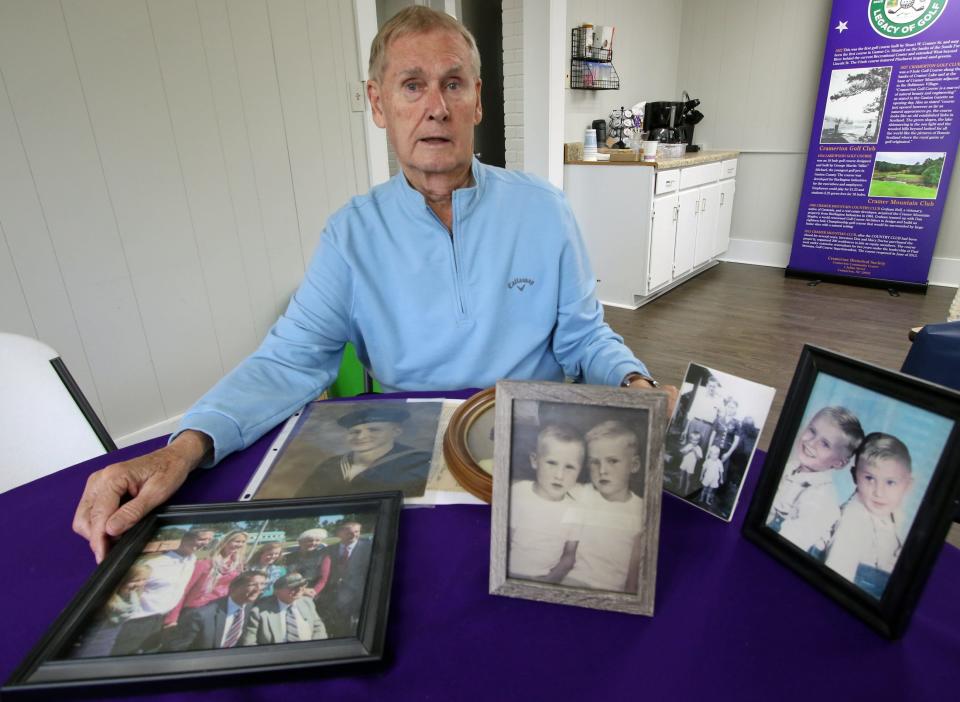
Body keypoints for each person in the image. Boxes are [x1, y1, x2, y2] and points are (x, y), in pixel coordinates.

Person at [73, 5, 675, 563]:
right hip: (410, 463)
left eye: (454, 83)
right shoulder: (351, 235)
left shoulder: (545, 210)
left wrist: (636, 383)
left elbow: (585, 338)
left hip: (538, 455)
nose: (435, 106)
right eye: (412, 85)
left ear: (477, 102)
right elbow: (289, 360)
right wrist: (181, 448)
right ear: (378, 103)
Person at [824, 433, 913, 598]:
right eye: (870, 478)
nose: (879, 492)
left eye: (890, 482)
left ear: (907, 485)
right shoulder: (854, 520)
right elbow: (836, 579)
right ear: (854, 476)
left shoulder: (893, 516)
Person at [766, 406, 865, 553]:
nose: (811, 443)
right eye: (812, 431)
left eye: (825, 444)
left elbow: (787, 545)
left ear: (839, 463)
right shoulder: (790, 467)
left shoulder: (822, 499)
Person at [563, 420, 644, 593]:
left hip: (613, 591)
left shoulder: (641, 509)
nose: (602, 470)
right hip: (576, 580)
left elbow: (635, 574)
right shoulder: (585, 494)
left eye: (613, 461)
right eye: (594, 462)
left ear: (634, 465)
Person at [110, 529, 214, 655]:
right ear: (186, 538)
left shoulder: (191, 560)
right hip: (137, 622)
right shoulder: (154, 563)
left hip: (162, 621)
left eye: (209, 540)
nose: (206, 543)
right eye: (202, 539)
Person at [295, 406, 432, 498]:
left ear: (396, 431)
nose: (361, 437)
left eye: (374, 429)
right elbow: (303, 498)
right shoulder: (331, 464)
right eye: (354, 431)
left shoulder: (419, 461)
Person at [508, 423, 584, 582]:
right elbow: (503, 542)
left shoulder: (575, 509)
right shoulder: (519, 492)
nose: (559, 475)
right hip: (509, 574)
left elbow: (569, 557)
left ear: (580, 471)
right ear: (535, 461)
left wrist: (548, 582)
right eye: (551, 463)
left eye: (570, 467)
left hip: (544, 579)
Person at [165, 571, 266, 651]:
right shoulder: (201, 615)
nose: (258, 589)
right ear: (234, 587)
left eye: (262, 584)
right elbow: (177, 649)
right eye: (252, 584)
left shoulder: (252, 609)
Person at [165, 530, 249, 626]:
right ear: (226, 541)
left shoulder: (237, 567)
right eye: (237, 541)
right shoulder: (205, 563)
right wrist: (172, 619)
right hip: (194, 610)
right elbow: (184, 590)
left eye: (243, 542)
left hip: (217, 611)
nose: (240, 545)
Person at [69, 563, 152, 658]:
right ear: (122, 580)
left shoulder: (133, 597)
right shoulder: (105, 601)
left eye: (144, 579)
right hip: (92, 643)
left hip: (108, 641)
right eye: (136, 580)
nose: (141, 583)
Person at [315, 522, 372, 638]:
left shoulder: (369, 547)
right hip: (333, 597)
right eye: (349, 532)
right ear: (339, 533)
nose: (353, 535)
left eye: (357, 532)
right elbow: (322, 573)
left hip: (358, 596)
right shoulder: (329, 550)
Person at [240, 572, 328, 645]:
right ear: (277, 591)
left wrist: (315, 648)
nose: (299, 589)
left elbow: (318, 626)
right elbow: (249, 642)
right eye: (293, 587)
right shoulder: (259, 612)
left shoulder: (307, 603)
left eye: (302, 585)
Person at [283, 529, 332, 598]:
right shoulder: (288, 557)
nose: (313, 543)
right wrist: (301, 591)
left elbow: (323, 579)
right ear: (300, 542)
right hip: (291, 592)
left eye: (317, 540)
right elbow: (284, 578)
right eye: (310, 540)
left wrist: (314, 591)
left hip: (313, 593)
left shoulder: (324, 556)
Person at [676, 429, 703, 495]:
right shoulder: (688, 445)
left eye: (696, 440)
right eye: (693, 440)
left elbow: (699, 459)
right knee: (681, 474)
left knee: (689, 478)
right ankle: (679, 486)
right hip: (685, 463)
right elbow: (682, 453)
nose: (694, 442)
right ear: (690, 440)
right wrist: (688, 451)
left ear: (698, 441)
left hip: (691, 465)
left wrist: (695, 452)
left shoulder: (699, 448)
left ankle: (686, 490)